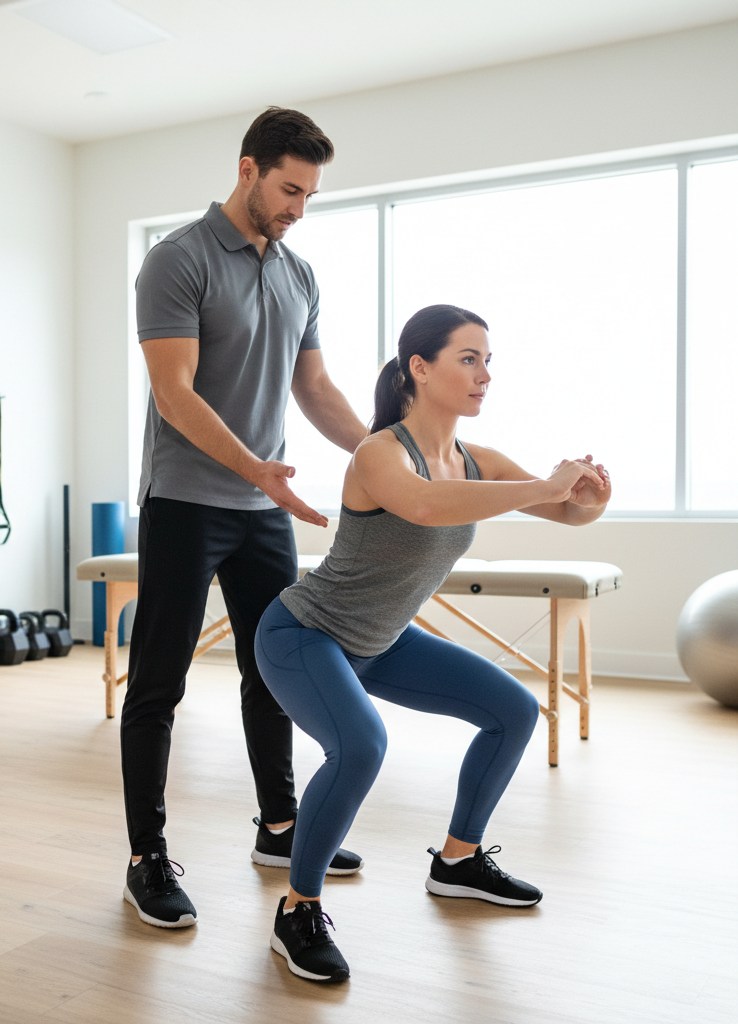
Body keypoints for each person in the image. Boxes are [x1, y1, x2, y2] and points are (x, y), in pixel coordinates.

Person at [254, 304, 612, 982]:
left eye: (488, 361)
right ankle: (298, 910)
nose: (485, 375)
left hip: (384, 642)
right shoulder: (379, 453)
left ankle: (458, 861)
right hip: (304, 633)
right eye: (468, 359)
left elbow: (568, 512)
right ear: (419, 367)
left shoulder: (477, 460)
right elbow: (422, 504)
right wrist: (544, 484)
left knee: (514, 711)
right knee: (361, 745)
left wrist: (591, 495)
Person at [122, 108, 369, 929]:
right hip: (186, 501)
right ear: (247, 170)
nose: (299, 208)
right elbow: (174, 393)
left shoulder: (299, 275)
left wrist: (385, 454)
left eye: (310, 195)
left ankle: (279, 828)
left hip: (265, 506)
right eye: (289, 190)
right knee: (158, 683)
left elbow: (316, 389)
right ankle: (146, 859)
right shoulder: (178, 259)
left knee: (275, 672)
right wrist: (253, 467)